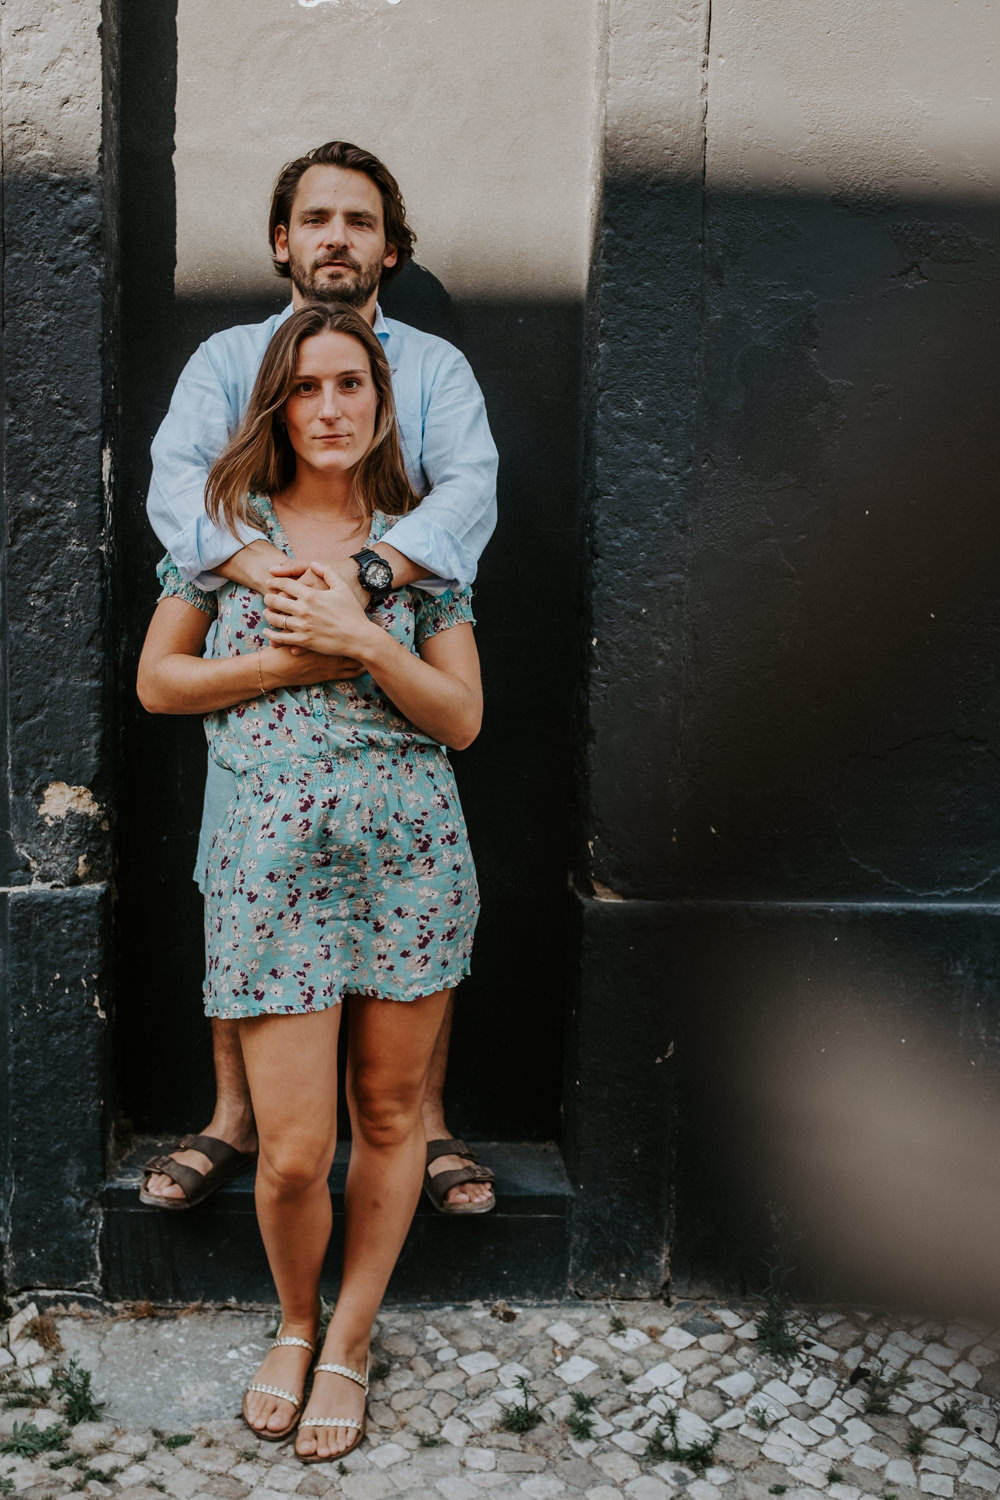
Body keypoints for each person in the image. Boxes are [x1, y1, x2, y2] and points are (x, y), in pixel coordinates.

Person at [138, 302, 482, 1461]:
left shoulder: (423, 539)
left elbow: (463, 717)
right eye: (306, 388)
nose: (329, 408)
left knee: (387, 1114)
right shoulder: (230, 530)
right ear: (275, 406)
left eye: (352, 386)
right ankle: (291, 1319)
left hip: (411, 858)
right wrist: (295, 655)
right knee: (290, 1149)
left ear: (382, 404)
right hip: (272, 872)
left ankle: (349, 1336)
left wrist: (373, 642)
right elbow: (159, 682)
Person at [140, 141, 497, 1214]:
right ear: (281, 239)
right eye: (317, 218)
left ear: (391, 246)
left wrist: (369, 579)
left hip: (404, 625)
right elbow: (179, 483)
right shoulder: (225, 358)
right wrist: (269, 578)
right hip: (258, 607)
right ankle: (233, 1117)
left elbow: (468, 488)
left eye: (360, 220)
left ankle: (422, 1124)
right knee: (238, 862)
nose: (337, 236)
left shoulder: (433, 368)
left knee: (413, 873)